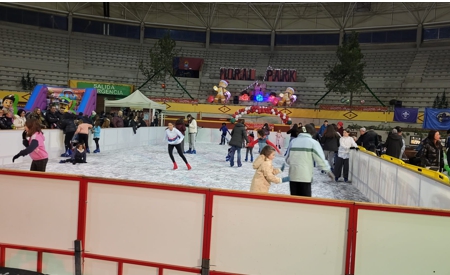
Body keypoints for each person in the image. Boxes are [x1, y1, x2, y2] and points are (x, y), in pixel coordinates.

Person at [285, 124, 334, 197]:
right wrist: (328, 171)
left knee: (294, 202)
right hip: (305, 176)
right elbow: (320, 159)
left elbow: (287, 159)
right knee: (305, 203)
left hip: (293, 175)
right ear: (312, 132)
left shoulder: (293, 141)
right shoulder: (313, 143)